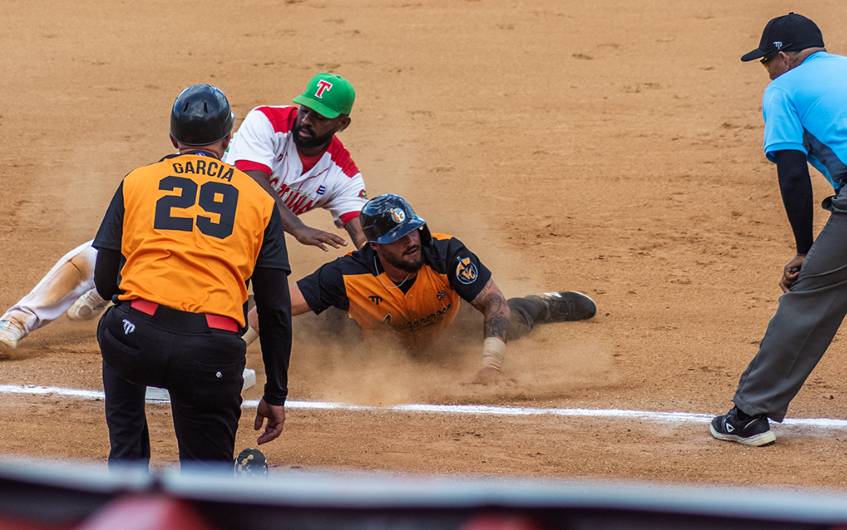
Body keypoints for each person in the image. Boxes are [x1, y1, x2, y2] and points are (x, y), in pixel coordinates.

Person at [0, 72, 367, 352]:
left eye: (319, 116)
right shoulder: (268, 121)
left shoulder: (344, 174)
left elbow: (364, 232)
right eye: (305, 108)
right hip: (191, 214)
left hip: (231, 243)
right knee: (102, 251)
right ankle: (17, 320)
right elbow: (254, 181)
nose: (305, 119)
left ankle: (217, 350)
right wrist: (299, 228)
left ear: (342, 124)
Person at [94, 84, 292, 467]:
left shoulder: (137, 180)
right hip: (210, 354)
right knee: (207, 483)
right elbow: (275, 309)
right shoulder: (260, 201)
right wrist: (276, 392)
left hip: (135, 341)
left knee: (117, 325)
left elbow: (105, 283)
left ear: (172, 138)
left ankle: (127, 463)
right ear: (228, 139)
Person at [246, 194, 597, 385]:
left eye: (412, 231)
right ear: (375, 248)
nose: (411, 241)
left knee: (513, 319)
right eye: (397, 239)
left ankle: (546, 303)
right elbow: (272, 307)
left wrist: (491, 366)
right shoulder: (345, 275)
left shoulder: (444, 253)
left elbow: (494, 302)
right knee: (285, 321)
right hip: (362, 336)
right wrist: (233, 348)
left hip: (446, 325)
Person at [711, 13, 847, 447]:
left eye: (766, 61)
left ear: (784, 57)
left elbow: (792, 174)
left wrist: (806, 249)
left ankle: (748, 416)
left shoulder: (783, 89)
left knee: (808, 298)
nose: (765, 71)